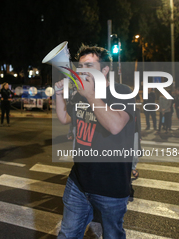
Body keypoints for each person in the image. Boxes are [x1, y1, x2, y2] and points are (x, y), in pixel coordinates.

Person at [55, 45, 135, 239]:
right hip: (79, 182)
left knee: (112, 235)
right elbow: (65, 118)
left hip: (111, 185)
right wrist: (58, 94)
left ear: (105, 70)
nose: (82, 71)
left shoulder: (123, 92)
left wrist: (90, 95)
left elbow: (115, 126)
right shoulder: (79, 94)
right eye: (80, 66)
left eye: (89, 65)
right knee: (67, 234)